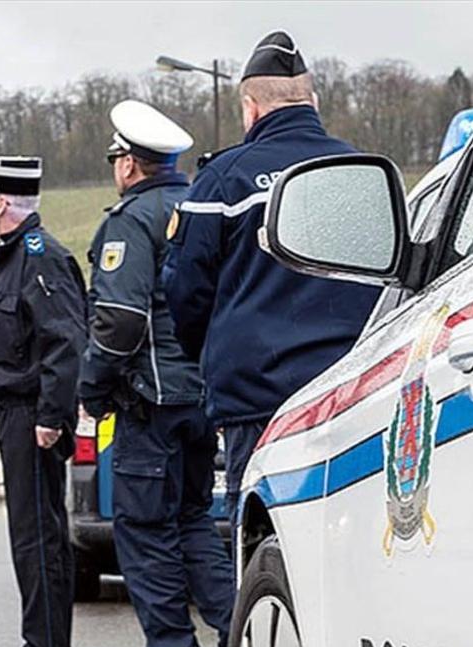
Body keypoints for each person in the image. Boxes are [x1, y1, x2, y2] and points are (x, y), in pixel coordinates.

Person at [163, 31, 381, 605]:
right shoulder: (361, 171)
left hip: (257, 401)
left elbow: (185, 293)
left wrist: (211, 353)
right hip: (351, 392)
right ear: (312, 101)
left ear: (250, 108)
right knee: (352, 544)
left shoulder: (222, 179)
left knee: (264, 552)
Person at [78, 100, 235, 647]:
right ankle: (239, 643)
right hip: (203, 396)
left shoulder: (130, 220)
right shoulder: (199, 207)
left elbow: (118, 319)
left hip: (149, 402)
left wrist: (94, 388)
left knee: (145, 539)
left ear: (128, 164)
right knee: (195, 523)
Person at [0, 156, 87, 647]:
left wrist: (51, 417)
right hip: (15, 412)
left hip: (34, 415)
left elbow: (65, 340)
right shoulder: (9, 257)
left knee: (40, 540)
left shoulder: (39, 258)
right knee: (29, 539)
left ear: (3, 202)